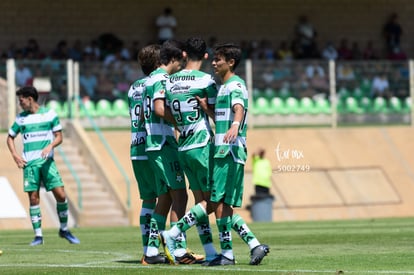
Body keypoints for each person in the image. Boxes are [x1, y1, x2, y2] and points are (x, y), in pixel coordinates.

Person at [162, 43, 269, 266]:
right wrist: (207, 109)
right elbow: (222, 118)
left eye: (218, 59)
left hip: (227, 150)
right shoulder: (221, 88)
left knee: (216, 201)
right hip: (218, 150)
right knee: (220, 203)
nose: (214, 62)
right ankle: (248, 246)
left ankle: (175, 234)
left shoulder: (235, 85)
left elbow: (238, 108)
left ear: (230, 62)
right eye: (213, 58)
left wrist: (235, 125)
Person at [162, 37, 218, 264]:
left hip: (182, 145)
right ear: (206, 56)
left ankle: (210, 251)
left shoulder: (170, 81)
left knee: (199, 203)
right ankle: (173, 233)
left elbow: (165, 111)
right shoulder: (206, 81)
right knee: (214, 201)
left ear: (184, 54)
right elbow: (216, 115)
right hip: (201, 144)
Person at [6, 86, 80, 246]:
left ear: (30, 99)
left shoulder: (49, 114)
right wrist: (15, 156)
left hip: (47, 163)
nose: (20, 103)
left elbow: (59, 136)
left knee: (61, 194)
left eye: (21, 100)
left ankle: (64, 229)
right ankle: (38, 236)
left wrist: (50, 146)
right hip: (30, 165)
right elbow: (10, 137)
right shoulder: (21, 119)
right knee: (33, 198)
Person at [142, 39, 195, 264]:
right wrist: (181, 124)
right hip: (163, 144)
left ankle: (152, 251)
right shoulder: (162, 79)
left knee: (164, 198)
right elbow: (159, 108)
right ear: (173, 59)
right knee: (180, 195)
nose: (181, 66)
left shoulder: (149, 79)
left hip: (153, 144)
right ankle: (177, 248)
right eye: (180, 62)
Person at [127, 44, 167, 264]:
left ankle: (147, 249)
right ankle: (157, 248)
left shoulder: (133, 87)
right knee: (168, 196)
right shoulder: (157, 82)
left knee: (148, 200)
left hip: (136, 146)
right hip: (154, 144)